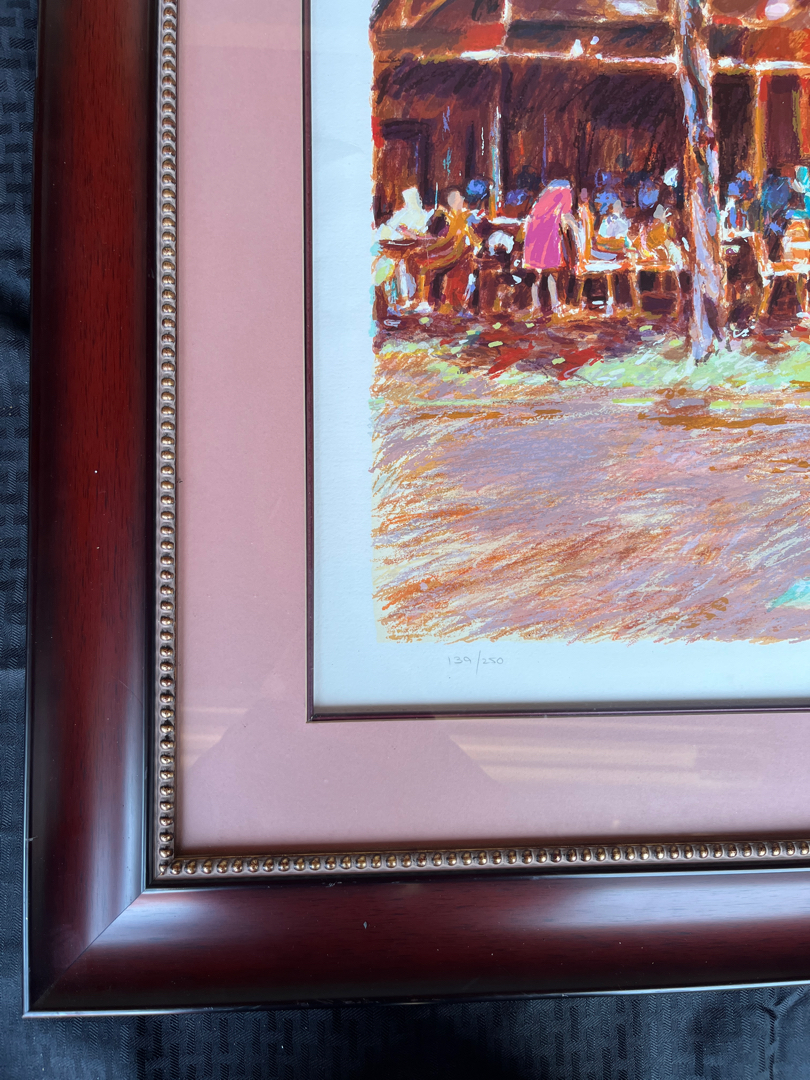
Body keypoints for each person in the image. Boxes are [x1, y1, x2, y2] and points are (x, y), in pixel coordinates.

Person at [407, 188, 475, 313]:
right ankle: (426, 300)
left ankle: (423, 300)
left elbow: (440, 238)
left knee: (421, 262)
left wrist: (418, 237)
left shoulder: (459, 216)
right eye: (459, 198)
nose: (462, 200)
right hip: (449, 251)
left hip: (451, 253)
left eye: (460, 198)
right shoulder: (450, 216)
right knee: (419, 260)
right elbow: (438, 237)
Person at [373, 187, 433, 311]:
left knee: (404, 265)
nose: (409, 202)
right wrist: (402, 232)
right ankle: (400, 298)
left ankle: (407, 297)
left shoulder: (422, 215)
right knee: (395, 264)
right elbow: (391, 227)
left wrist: (410, 233)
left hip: (411, 248)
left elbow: (421, 234)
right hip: (396, 247)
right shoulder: (403, 213)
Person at [523, 178, 573, 314]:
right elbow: (566, 216)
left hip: (533, 234)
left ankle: (536, 304)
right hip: (548, 234)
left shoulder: (543, 196)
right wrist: (575, 229)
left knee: (537, 271)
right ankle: (555, 303)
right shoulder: (564, 191)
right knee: (550, 270)